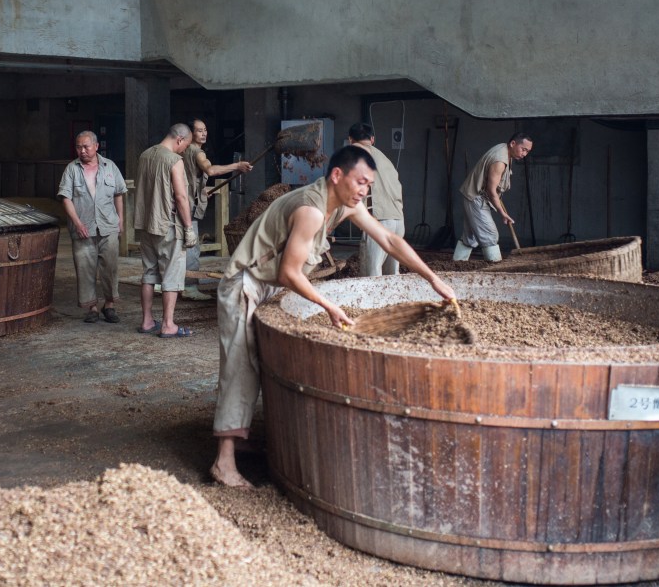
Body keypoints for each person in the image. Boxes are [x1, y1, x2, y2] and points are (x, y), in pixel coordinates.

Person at [210, 145, 457, 487]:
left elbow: (388, 239)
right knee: (241, 366)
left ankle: (240, 437)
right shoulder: (310, 210)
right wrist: (329, 306)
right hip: (245, 283)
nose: (364, 190)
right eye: (360, 182)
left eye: (369, 185)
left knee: (261, 361)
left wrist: (432, 278)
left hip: (265, 283)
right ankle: (224, 463)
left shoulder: (344, 205)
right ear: (337, 176)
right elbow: (289, 274)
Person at [57, 130, 127, 324]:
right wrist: (77, 223)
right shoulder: (72, 169)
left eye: (86, 146)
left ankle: (110, 305)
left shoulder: (110, 167)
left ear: (96, 146)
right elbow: (66, 198)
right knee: (85, 268)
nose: (82, 151)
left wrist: (120, 219)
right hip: (83, 228)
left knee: (110, 267)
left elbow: (118, 194)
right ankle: (92, 307)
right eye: (78, 147)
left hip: (108, 225)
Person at [133, 124, 196, 338]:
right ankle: (168, 325)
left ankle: (147, 321)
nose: (184, 151)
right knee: (172, 274)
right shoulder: (173, 160)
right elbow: (180, 197)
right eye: (185, 146)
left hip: (146, 224)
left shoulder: (144, 155)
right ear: (179, 139)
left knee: (149, 273)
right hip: (168, 225)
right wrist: (188, 227)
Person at [182, 119, 253, 301]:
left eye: (205, 130)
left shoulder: (184, 151)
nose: (204, 133)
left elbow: (189, 179)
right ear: (191, 134)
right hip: (187, 207)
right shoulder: (197, 152)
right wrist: (237, 166)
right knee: (192, 248)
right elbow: (211, 170)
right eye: (199, 130)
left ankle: (172, 284)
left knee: (178, 246)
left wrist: (202, 190)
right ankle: (190, 287)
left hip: (183, 203)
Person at [454, 133, 533, 263]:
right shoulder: (500, 161)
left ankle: (456, 264)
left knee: (471, 236)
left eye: (527, 151)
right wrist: (502, 213)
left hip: (474, 194)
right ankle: (495, 268)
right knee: (490, 235)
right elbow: (491, 191)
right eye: (523, 149)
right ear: (513, 143)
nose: (524, 154)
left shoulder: (506, 150)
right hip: (476, 197)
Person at [347, 122, 405, 276]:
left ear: (350, 140)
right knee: (391, 276)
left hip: (379, 222)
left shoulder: (355, 153)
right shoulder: (384, 158)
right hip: (398, 221)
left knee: (371, 276)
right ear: (372, 139)